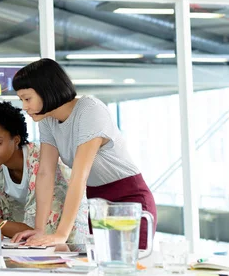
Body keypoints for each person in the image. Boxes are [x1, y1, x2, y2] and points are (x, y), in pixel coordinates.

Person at [11, 59, 157, 249]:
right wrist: (40, 229)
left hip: (128, 197)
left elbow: (79, 176)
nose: (24, 106)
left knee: (132, 265)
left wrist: (61, 235)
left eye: (27, 98)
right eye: (21, 100)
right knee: (103, 267)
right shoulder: (47, 121)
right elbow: (45, 174)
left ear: (46, 90)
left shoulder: (90, 109)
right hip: (97, 201)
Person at [0, 102, 89, 249]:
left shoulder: (42, 162)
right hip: (25, 246)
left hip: (67, 244)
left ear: (16, 140)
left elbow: (38, 231)